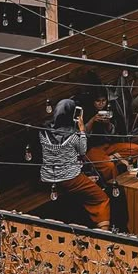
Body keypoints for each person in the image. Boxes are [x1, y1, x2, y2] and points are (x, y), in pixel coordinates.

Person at [39, 98, 111, 230]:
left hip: (48, 177)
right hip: (69, 179)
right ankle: (104, 233)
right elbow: (83, 150)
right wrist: (82, 130)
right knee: (101, 198)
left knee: (85, 182)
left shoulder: (43, 131)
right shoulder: (73, 135)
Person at [79, 72, 138, 182]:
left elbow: (113, 133)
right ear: (93, 101)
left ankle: (112, 158)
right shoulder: (85, 111)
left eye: (103, 101)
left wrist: (108, 123)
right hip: (92, 149)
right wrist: (92, 120)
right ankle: (115, 186)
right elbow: (83, 135)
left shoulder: (109, 110)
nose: (101, 104)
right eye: (98, 101)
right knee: (109, 167)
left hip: (108, 146)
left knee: (137, 149)